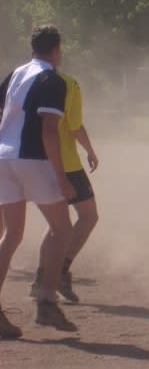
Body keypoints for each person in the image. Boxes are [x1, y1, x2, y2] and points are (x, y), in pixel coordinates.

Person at [0, 26, 78, 338]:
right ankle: (46, 302)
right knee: (62, 228)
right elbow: (49, 131)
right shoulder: (52, 80)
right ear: (57, 49)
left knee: (12, 235)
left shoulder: (16, 74)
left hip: (3, 158)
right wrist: (61, 178)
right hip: (31, 158)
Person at [30, 72, 99, 304]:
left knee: (55, 223)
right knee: (88, 216)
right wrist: (90, 150)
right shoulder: (68, 83)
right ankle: (60, 270)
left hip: (34, 161)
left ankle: (41, 278)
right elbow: (74, 125)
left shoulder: (23, 79)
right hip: (66, 162)